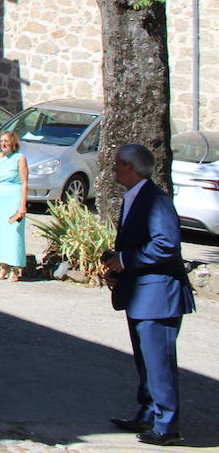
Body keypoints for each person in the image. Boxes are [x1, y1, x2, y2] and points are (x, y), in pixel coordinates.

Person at [103, 143, 195, 446]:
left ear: (131, 167)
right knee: (145, 360)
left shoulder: (155, 200)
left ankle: (167, 425)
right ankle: (148, 412)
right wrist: (116, 265)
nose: (113, 168)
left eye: (117, 164)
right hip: (141, 295)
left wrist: (126, 259)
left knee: (159, 362)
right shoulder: (134, 198)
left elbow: (166, 243)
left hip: (159, 297)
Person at [0, 130, 28, 281]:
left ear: (13, 142)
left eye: (6, 141)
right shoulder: (0, 159)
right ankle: (3, 265)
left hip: (14, 198)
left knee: (14, 232)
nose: (3, 144)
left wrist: (22, 205)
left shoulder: (20, 158)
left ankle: (15, 268)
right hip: (1, 199)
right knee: (1, 233)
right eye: (1, 141)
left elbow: (24, 182)